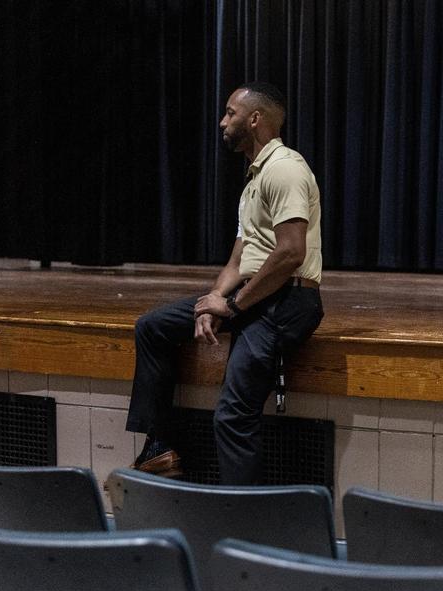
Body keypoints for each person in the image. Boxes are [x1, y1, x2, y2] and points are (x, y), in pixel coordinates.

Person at [125, 82, 323, 484]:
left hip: (286, 302)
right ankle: (158, 447)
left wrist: (233, 307)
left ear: (255, 119)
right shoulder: (254, 181)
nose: (222, 121)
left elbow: (290, 254)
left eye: (231, 112)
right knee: (153, 327)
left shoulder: (285, 168)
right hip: (254, 297)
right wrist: (214, 299)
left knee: (232, 417)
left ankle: (242, 523)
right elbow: (238, 258)